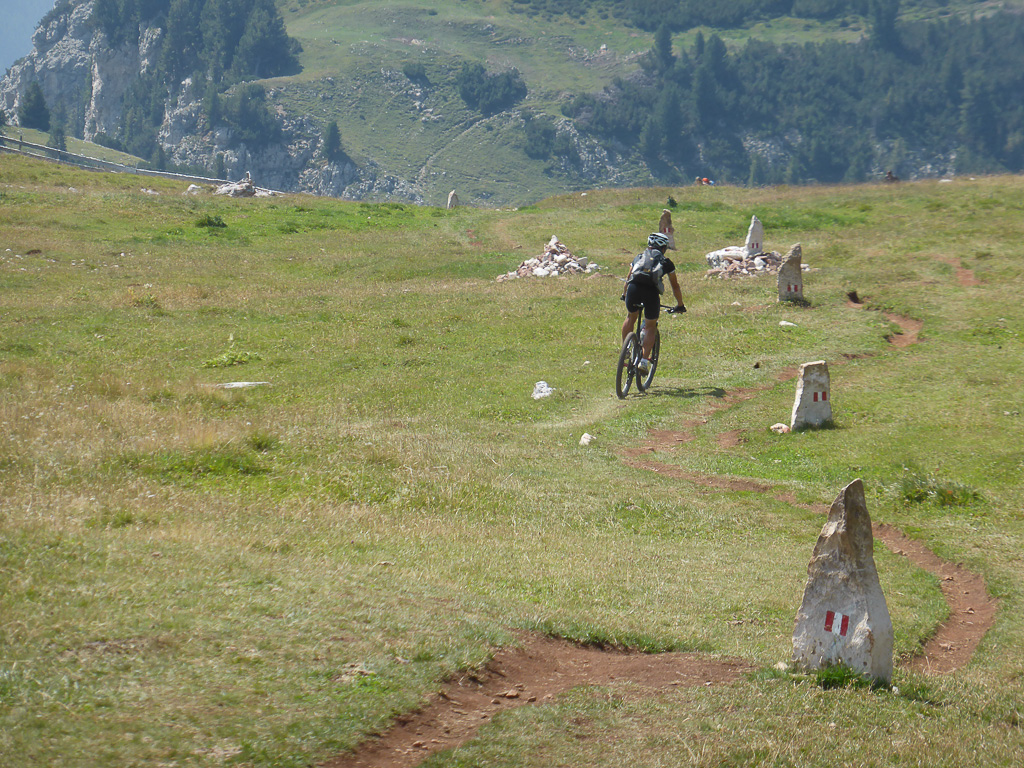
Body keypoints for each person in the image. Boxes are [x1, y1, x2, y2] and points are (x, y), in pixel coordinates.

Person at [621, 232, 686, 374]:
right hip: (651, 293)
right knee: (650, 326)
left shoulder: (638, 257)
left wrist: (624, 294)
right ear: (664, 248)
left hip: (633, 289)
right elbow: (675, 286)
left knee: (631, 316)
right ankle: (644, 362)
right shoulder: (666, 262)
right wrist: (680, 305)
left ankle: (625, 349)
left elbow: (628, 278)